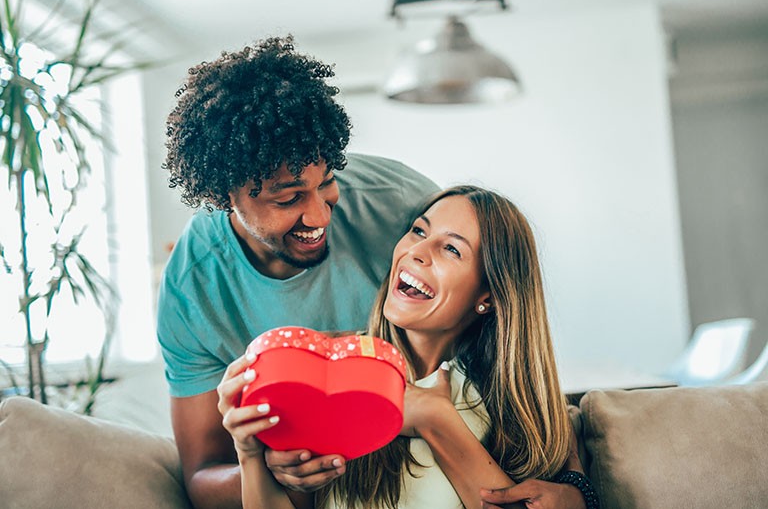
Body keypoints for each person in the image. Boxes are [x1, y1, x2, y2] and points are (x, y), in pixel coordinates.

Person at [159, 35, 589, 509]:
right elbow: (201, 474)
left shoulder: (398, 204)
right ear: (225, 197)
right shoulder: (193, 287)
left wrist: (577, 487)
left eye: (327, 183)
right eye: (288, 199)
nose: (321, 217)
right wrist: (266, 465)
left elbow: (519, 356)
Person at [219, 185, 598, 509]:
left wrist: (434, 418)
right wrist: (251, 453)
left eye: (451, 249)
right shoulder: (330, 373)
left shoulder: (517, 409)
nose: (418, 251)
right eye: (418, 231)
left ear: (489, 294)